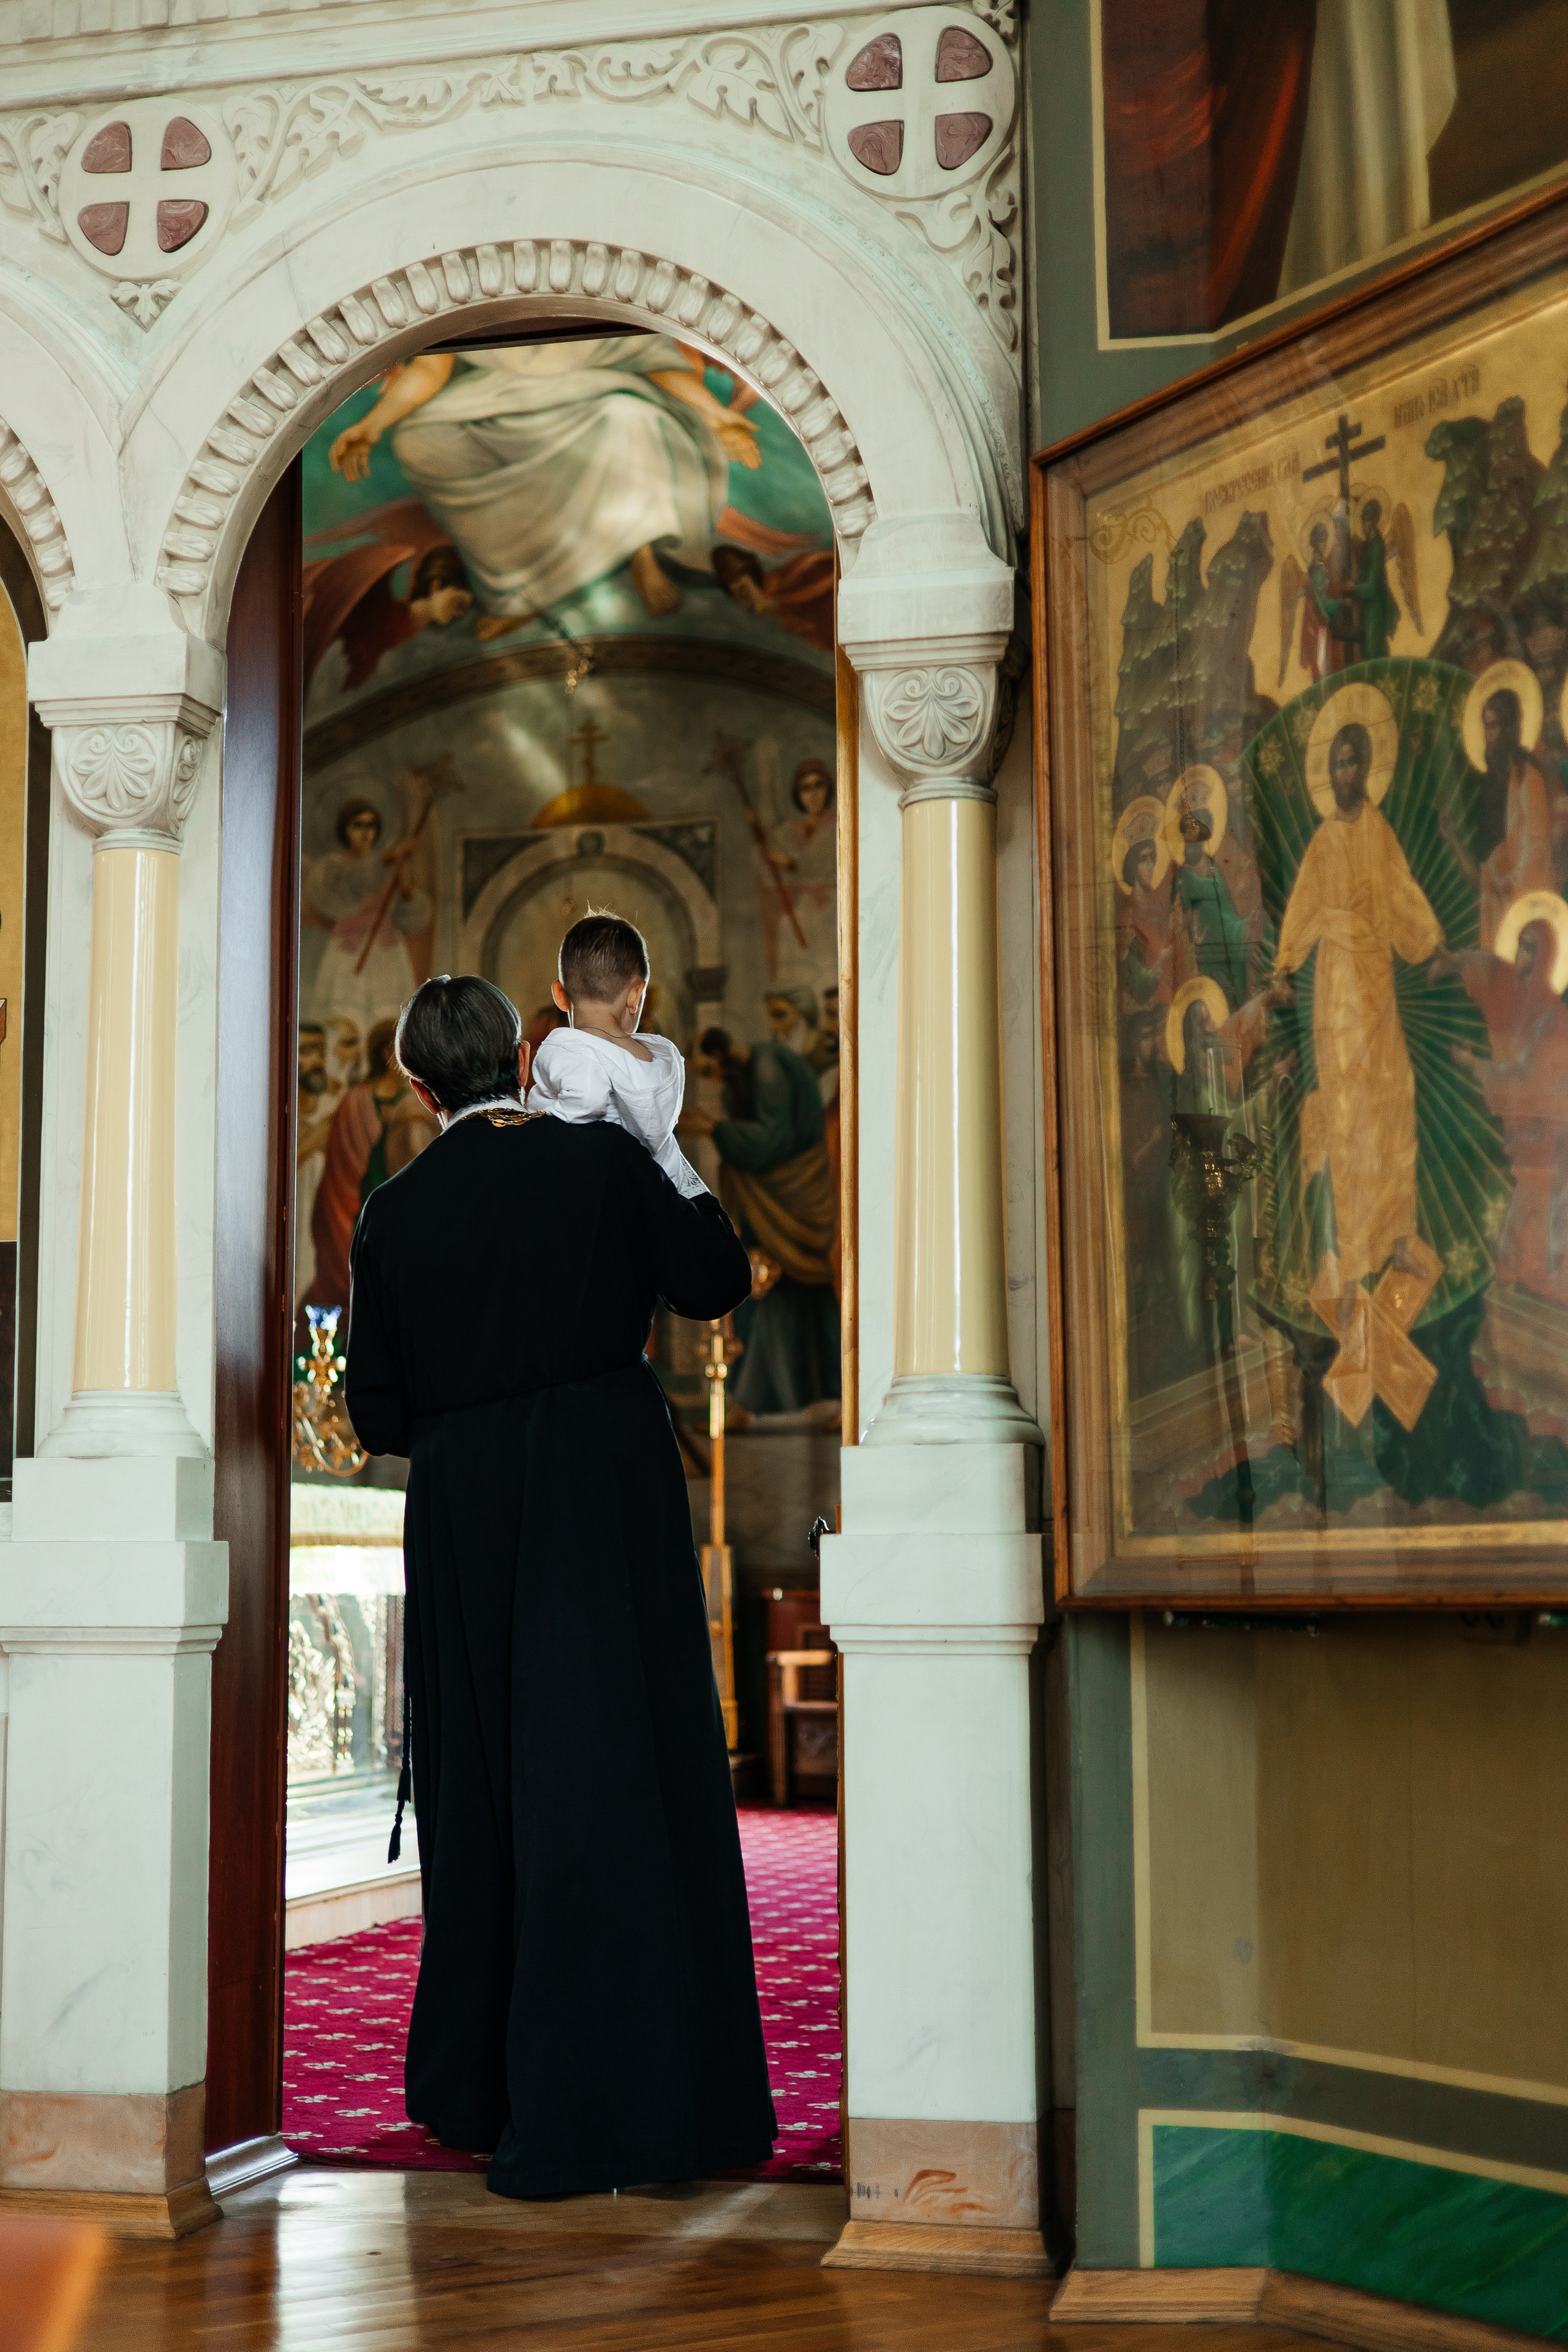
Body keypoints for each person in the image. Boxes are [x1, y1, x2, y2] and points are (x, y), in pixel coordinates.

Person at [344, 974, 774, 2196]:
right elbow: (713, 1280)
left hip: (471, 1505)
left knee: (489, 1789)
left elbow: (375, 1407)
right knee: (623, 1770)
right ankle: (653, 2098)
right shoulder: (599, 1165)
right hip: (610, 1486)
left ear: (421, 1088)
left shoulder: (395, 1210)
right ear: (521, 1056)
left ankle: (490, 2094)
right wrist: (661, 1146)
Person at [329, 337, 760, 627]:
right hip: (490, 401)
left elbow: (659, 364)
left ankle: (639, 549)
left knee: (631, 418)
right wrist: (373, 425)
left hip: (591, 396)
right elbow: (430, 369)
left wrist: (715, 412)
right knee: (419, 442)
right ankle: (521, 584)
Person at [1273, 720, 1442, 1284]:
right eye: (1337, 764)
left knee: (1394, 1096)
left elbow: (1403, 891)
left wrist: (1432, 944)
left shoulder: (1379, 830)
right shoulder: (1325, 840)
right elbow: (1302, 903)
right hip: (1340, 989)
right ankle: (1352, 1251)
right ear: (1329, 774)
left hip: (1378, 983)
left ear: (1366, 769)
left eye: (1353, 763)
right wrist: (1285, 964)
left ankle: (1397, 1238)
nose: (1345, 773)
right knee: (1349, 1116)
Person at [685, 1025, 839, 1411]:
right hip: (766, 1199)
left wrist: (713, 1128)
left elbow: (775, 1140)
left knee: (789, 1291)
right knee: (760, 1287)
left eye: (710, 1070)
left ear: (719, 1053)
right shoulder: (751, 1072)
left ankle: (819, 1394)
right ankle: (758, 1397)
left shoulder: (767, 1067)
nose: (714, 1080)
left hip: (792, 1196)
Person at [527, 910, 706, 1198]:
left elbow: (588, 1099)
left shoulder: (564, 1046)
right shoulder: (661, 1059)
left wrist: (538, 1133)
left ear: (560, 995)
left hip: (589, 1192)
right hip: (657, 1197)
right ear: (636, 995)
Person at [307, 1017, 438, 1312]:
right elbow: (343, 1166)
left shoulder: (418, 1101)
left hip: (402, 1212)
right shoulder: (357, 1100)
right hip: (355, 1205)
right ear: (386, 1053)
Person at [303, 793, 434, 1036]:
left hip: (387, 951)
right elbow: (348, 888)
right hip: (348, 952)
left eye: (371, 825)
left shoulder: (391, 863)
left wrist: (405, 890)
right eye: (358, 825)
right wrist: (387, 859)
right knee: (346, 1017)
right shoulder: (332, 867)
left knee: (389, 1015)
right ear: (345, 830)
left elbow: (412, 917)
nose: (365, 832)